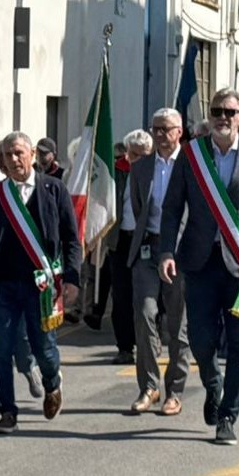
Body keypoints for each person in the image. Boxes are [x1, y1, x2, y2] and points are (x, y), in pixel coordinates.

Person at [159, 88, 239, 446]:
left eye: (229, 111)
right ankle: (213, 384)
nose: (222, 118)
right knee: (199, 338)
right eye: (216, 111)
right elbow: (171, 208)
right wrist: (166, 251)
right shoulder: (192, 155)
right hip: (199, 261)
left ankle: (228, 416)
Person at [0, 132, 81, 434]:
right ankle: (8, 411)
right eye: (8, 154)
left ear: (33, 154)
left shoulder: (54, 189)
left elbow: (71, 238)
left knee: (44, 349)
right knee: (0, 351)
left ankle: (52, 383)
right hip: (3, 286)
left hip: (42, 286)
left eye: (19, 153)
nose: (13, 160)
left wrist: (72, 278)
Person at [128, 109, 190, 416]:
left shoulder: (191, 165)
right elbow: (140, 208)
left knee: (177, 324)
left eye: (166, 130)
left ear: (179, 131)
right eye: (156, 130)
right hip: (148, 249)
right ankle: (149, 387)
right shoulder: (141, 168)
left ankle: (174, 392)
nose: (160, 136)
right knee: (145, 313)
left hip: (180, 253)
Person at [105, 130, 150, 365]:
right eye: (134, 154)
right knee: (121, 296)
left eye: (143, 155)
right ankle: (124, 346)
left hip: (147, 240)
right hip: (121, 240)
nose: (137, 159)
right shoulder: (115, 171)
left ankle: (148, 344)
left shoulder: (155, 171)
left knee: (147, 297)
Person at [84, 142, 129, 333]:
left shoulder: (131, 173)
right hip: (106, 234)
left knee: (119, 285)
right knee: (100, 276)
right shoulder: (108, 176)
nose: (117, 162)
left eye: (120, 158)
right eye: (114, 158)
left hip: (124, 236)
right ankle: (96, 311)